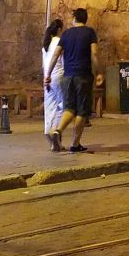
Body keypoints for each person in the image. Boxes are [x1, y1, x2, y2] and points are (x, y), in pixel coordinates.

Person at [49, 8, 98, 153]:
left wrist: (48, 73)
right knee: (82, 112)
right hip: (83, 76)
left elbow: (56, 54)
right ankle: (75, 144)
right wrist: (100, 71)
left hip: (67, 76)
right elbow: (94, 53)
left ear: (75, 18)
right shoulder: (89, 33)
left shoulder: (66, 34)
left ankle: (58, 130)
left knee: (69, 108)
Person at [42, 18, 64, 152]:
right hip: (59, 76)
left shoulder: (46, 44)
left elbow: (44, 63)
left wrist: (46, 77)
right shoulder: (61, 42)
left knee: (50, 106)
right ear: (60, 30)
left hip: (47, 78)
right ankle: (56, 131)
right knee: (63, 106)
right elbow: (63, 60)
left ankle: (50, 135)